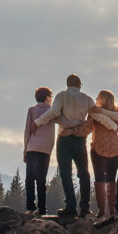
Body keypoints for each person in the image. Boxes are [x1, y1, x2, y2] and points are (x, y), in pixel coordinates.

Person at [32, 72, 94, 217]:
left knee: (65, 173)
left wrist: (38, 122)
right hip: (80, 139)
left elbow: (54, 112)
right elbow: (95, 114)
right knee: (84, 173)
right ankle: (85, 208)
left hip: (64, 138)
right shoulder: (86, 98)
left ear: (67, 84)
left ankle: (70, 207)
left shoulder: (61, 96)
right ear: (79, 85)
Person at [88, 90, 118, 220]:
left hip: (99, 147)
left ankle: (101, 211)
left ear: (102, 99)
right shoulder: (116, 114)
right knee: (111, 179)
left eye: (98, 97)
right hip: (115, 148)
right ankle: (112, 210)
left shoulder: (95, 112)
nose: (96, 99)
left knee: (99, 179)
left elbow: (88, 127)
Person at [22, 86, 56, 214]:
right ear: (47, 98)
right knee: (42, 179)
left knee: (30, 178)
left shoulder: (31, 110)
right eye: (51, 97)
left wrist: (25, 148)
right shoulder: (53, 111)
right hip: (46, 150)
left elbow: (27, 131)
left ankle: (30, 206)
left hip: (32, 147)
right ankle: (42, 208)